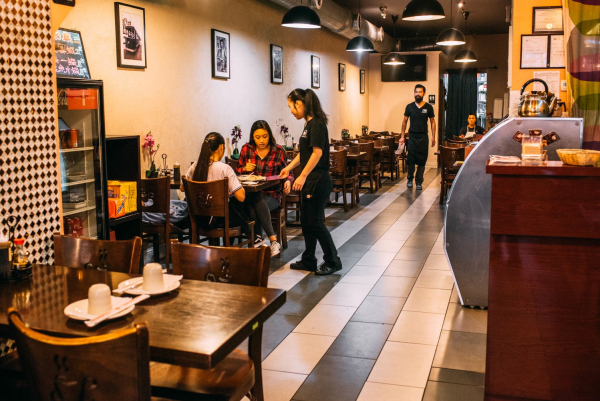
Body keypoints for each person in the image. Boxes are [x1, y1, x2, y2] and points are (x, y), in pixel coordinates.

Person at [280, 88, 342, 276]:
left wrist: (303, 175)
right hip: (311, 180)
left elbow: (317, 153)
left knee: (316, 222)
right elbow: (305, 153)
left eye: (291, 107)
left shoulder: (317, 124)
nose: (291, 111)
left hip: (318, 180)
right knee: (307, 222)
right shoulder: (308, 125)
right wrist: (289, 168)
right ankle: (309, 260)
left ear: (299, 104)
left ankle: (333, 261)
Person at [236, 120, 293, 256]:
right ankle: (273, 241)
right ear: (252, 137)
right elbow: (236, 173)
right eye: (257, 137)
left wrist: (288, 181)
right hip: (249, 194)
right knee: (254, 198)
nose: (261, 140)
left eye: (264, 136)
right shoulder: (246, 149)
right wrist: (244, 169)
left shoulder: (278, 151)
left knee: (255, 206)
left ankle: (259, 242)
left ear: (269, 135)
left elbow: (288, 172)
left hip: (272, 194)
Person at [182, 132, 251, 239]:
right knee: (244, 204)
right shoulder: (225, 168)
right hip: (219, 220)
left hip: (198, 219)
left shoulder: (195, 166)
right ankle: (253, 236)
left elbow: (182, 188)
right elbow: (241, 197)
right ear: (221, 147)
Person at [400, 84, 436, 190]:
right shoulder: (409, 107)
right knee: (410, 159)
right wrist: (402, 136)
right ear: (414, 93)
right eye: (416, 92)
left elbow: (432, 122)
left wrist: (433, 137)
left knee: (422, 160)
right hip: (412, 137)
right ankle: (410, 179)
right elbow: (404, 121)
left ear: (424, 93)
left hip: (423, 137)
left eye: (420, 92)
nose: (418, 94)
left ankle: (419, 181)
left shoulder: (428, 107)